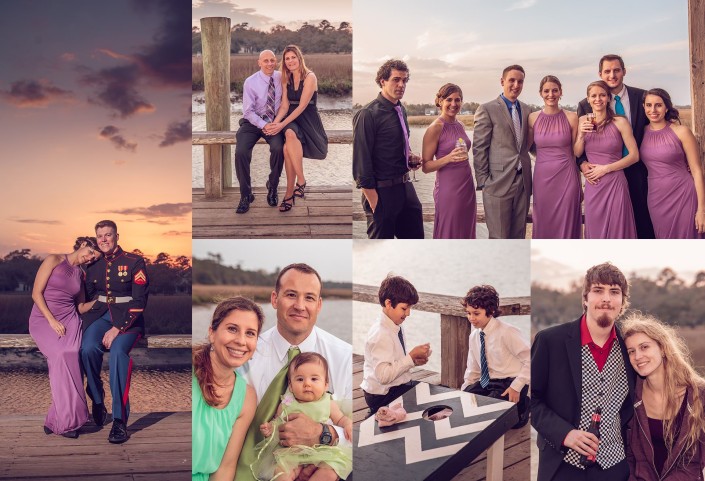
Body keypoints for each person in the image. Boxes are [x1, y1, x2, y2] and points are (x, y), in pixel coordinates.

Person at [236, 263, 352, 481]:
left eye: (309, 298)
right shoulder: (246, 354)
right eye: (291, 295)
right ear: (274, 299)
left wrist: (325, 433)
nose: (300, 306)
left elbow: (357, 430)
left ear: (319, 305)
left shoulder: (343, 355)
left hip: (326, 466)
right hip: (259, 472)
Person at [531, 262, 636, 481]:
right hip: (561, 465)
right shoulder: (550, 341)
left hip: (615, 467)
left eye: (614, 292)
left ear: (622, 302)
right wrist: (565, 434)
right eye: (598, 290)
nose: (606, 298)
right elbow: (532, 401)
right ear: (585, 298)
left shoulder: (630, 348)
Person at [80, 220, 149, 444]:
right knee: (87, 349)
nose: (104, 240)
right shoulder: (92, 265)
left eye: (108, 235)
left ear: (117, 236)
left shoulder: (134, 262)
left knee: (118, 354)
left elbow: (140, 300)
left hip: (128, 318)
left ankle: (119, 421)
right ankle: (98, 400)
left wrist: (118, 327)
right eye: (100, 236)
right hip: (100, 315)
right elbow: (89, 296)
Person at [29, 236, 101, 438]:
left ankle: (57, 419)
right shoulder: (53, 259)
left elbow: (80, 307)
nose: (90, 258)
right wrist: (51, 320)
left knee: (69, 357)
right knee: (60, 355)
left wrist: (100, 302)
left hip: (70, 320)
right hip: (44, 319)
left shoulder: (81, 275)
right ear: (84, 245)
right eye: (90, 253)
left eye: (93, 257)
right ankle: (67, 421)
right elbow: (36, 293)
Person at [577, 54, 654, 239]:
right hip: (597, 179)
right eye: (607, 71)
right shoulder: (584, 108)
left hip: (638, 172)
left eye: (616, 70)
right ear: (600, 74)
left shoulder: (641, 96)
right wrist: (582, 163)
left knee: (641, 223)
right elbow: (579, 148)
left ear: (624, 72)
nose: (612, 75)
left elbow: (661, 121)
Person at [621, 314, 705, 480]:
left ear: (663, 348)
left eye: (644, 347)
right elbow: (629, 457)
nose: (638, 356)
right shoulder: (630, 397)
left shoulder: (698, 394)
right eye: (631, 351)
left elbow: (698, 460)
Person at [251, 353, 353, 481]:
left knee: (329, 472)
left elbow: (341, 419)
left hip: (324, 452)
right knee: (281, 473)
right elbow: (278, 422)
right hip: (291, 453)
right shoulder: (286, 403)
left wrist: (348, 424)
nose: (307, 384)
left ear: (326, 384)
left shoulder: (328, 403)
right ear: (291, 385)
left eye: (314, 379)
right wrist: (270, 428)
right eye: (300, 379)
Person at [192, 297, 262, 481]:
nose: (241, 341)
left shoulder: (246, 397)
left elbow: (225, 468)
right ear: (212, 333)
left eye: (250, 333)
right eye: (232, 329)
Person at [352, 59, 424, 239]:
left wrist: (410, 157)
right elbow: (361, 164)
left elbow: (394, 146)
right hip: (381, 194)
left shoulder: (401, 110)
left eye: (405, 80)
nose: (401, 84)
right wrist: (375, 203)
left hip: (406, 189)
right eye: (396, 79)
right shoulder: (367, 114)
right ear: (382, 81)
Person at [263, 45, 327, 212]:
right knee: (290, 133)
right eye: (287, 59)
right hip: (291, 119)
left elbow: (302, 106)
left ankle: (289, 195)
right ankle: (302, 180)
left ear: (299, 58)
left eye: (293, 57)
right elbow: (285, 106)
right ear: (284, 62)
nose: (290, 61)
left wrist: (281, 124)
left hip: (308, 119)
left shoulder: (310, 77)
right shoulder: (286, 78)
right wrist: (275, 123)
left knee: (286, 149)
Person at [472, 65, 532, 239]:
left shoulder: (527, 110)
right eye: (511, 80)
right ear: (502, 81)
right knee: (499, 237)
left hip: (523, 183)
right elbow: (479, 148)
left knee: (518, 236)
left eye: (520, 81)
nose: (516, 85)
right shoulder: (487, 109)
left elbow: (531, 145)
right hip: (496, 183)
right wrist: (484, 181)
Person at [574, 81, 639, 239]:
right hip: (594, 185)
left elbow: (634, 156)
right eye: (593, 96)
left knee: (618, 230)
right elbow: (576, 153)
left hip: (615, 183)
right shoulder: (583, 121)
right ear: (588, 99)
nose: (598, 99)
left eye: (602, 95)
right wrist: (581, 135)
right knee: (595, 229)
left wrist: (606, 168)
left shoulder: (620, 122)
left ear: (609, 98)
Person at [639, 88, 705, 238]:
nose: (653, 110)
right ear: (643, 107)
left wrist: (701, 209)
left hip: (684, 195)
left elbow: (697, 171)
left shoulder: (681, 131)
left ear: (667, 107)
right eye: (648, 105)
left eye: (658, 105)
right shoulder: (640, 132)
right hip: (656, 199)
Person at [461, 285, 530, 428]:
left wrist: (516, 387)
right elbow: (473, 368)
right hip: (488, 382)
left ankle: (522, 409)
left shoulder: (507, 332)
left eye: (476, 313)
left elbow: (532, 359)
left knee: (489, 415)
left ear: (491, 311)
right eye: (468, 313)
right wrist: (465, 391)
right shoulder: (474, 335)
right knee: (465, 402)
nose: (471, 318)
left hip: (510, 382)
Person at [361, 275, 431, 414]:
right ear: (388, 304)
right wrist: (410, 357)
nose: (408, 313)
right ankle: (376, 414)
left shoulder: (394, 324)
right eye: (404, 308)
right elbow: (384, 377)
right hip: (382, 395)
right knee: (429, 401)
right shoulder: (381, 334)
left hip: (394, 387)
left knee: (431, 393)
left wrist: (414, 361)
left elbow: (394, 362)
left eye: (409, 308)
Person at [528, 75, 582, 239]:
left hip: (567, 177)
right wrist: (543, 159)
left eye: (554, 90)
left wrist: (579, 185)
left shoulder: (572, 117)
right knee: (543, 221)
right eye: (546, 91)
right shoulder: (533, 118)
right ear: (540, 93)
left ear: (560, 92)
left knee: (568, 221)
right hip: (542, 179)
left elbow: (576, 152)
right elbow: (528, 147)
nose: (550, 94)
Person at [421, 83, 476, 239]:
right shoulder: (435, 127)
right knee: (450, 231)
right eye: (449, 100)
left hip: (467, 186)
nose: (453, 104)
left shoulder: (461, 125)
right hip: (449, 190)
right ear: (440, 101)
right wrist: (448, 158)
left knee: (466, 230)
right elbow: (425, 166)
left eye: (457, 100)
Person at [235, 49, 285, 214]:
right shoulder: (250, 82)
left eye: (272, 60)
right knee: (241, 151)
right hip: (252, 122)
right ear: (259, 63)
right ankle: (246, 194)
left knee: (279, 148)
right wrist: (263, 124)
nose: (270, 63)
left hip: (274, 122)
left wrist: (273, 124)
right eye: (266, 61)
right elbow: (248, 111)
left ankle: (272, 186)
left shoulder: (280, 77)